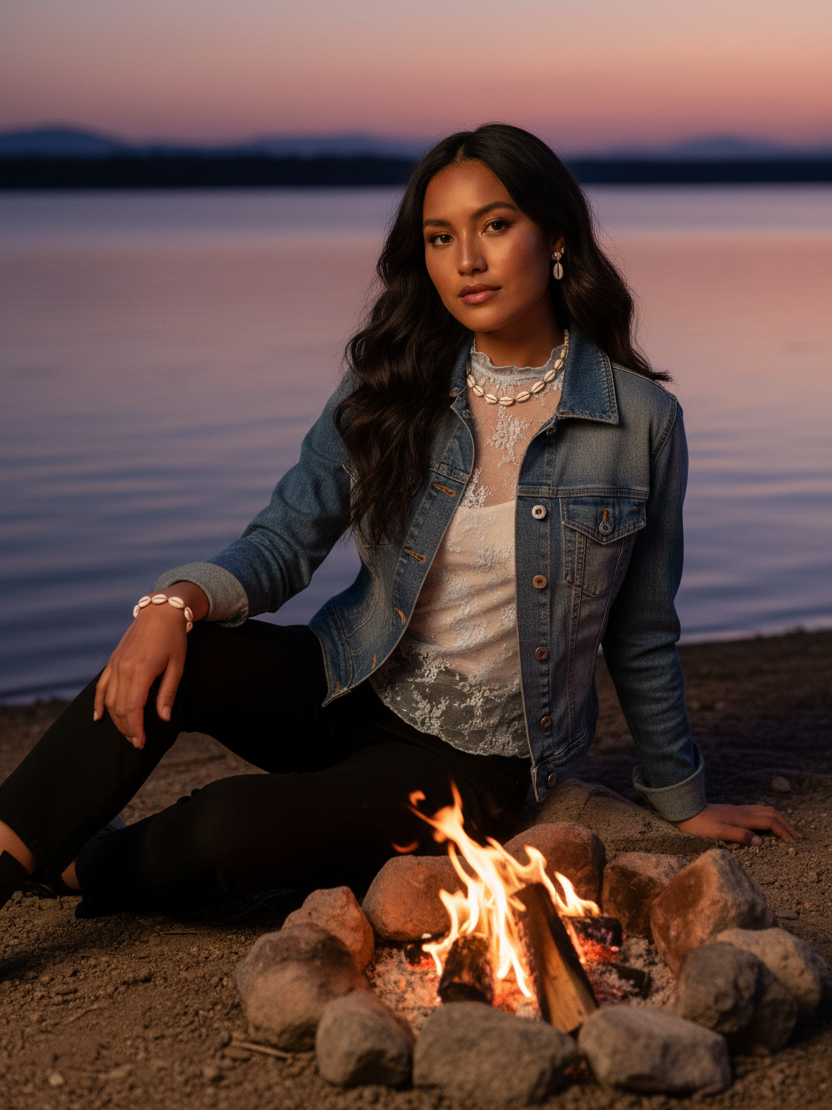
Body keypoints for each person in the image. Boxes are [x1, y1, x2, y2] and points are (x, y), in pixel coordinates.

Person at [0, 123, 797, 917]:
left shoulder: (642, 421)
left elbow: (643, 630)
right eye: (440, 237)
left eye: (495, 225)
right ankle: (7, 854)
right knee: (174, 655)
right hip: (347, 678)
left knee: (228, 828)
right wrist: (174, 602)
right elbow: (285, 539)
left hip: (473, 764)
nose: (467, 261)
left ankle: (83, 865)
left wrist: (679, 793)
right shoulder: (392, 381)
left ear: (554, 236)